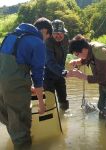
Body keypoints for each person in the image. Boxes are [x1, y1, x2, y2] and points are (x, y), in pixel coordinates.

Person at [0, 17, 52, 150]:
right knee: (21, 123)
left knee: (10, 119)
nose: (45, 41)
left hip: (4, 85)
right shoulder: (37, 42)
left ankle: (17, 139)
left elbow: (9, 69)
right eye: (47, 37)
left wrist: (28, 87)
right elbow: (38, 75)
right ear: (45, 32)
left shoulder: (10, 36)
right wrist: (41, 103)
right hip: (14, 86)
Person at [68, 34, 106, 125]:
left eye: (77, 54)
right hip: (104, 84)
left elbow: (102, 77)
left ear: (83, 49)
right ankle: (104, 129)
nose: (77, 56)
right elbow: (87, 58)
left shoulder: (100, 52)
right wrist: (78, 61)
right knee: (101, 106)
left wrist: (83, 76)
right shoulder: (89, 49)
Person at [44, 19, 69, 111]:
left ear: (64, 32)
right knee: (50, 102)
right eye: (55, 33)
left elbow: (66, 55)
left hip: (60, 73)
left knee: (64, 100)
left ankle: (64, 119)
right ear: (51, 33)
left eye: (61, 33)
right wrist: (64, 72)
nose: (58, 35)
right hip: (47, 75)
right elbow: (50, 62)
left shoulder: (66, 38)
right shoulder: (47, 42)